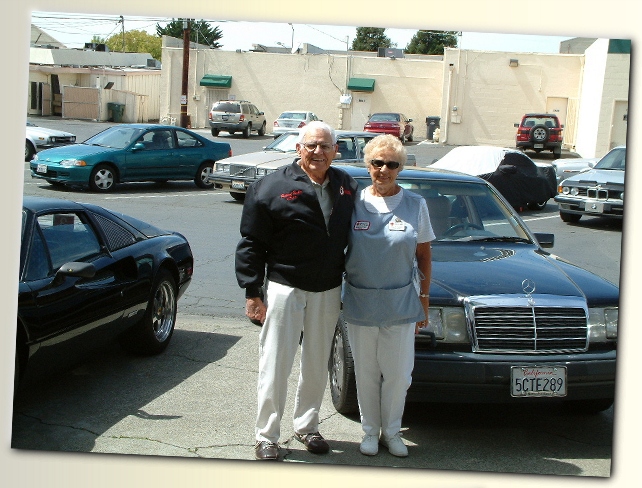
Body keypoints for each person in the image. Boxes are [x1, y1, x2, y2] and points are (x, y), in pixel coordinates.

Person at [235, 121, 358, 461]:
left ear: (336, 150)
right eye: (312, 145)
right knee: (275, 363)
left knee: (317, 362)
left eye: (325, 146)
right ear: (299, 148)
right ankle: (267, 436)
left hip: (328, 287)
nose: (319, 152)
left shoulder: (346, 185)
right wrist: (252, 291)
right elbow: (251, 243)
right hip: (284, 288)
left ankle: (307, 426)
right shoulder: (271, 186)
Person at [342, 134, 434, 458]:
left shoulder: (415, 205)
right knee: (365, 371)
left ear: (400, 168)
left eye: (391, 164)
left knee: (398, 374)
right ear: (367, 166)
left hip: (400, 304)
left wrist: (424, 302)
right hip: (360, 301)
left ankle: (391, 432)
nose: (384, 170)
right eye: (377, 163)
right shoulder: (352, 203)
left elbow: (424, 257)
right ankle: (369, 432)